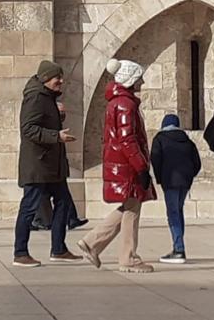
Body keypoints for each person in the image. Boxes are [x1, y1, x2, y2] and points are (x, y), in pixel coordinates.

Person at [77, 58, 156, 273]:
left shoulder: (120, 102)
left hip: (123, 163)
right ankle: (127, 257)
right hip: (127, 165)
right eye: (139, 77)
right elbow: (127, 138)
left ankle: (93, 243)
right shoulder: (125, 104)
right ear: (130, 79)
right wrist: (140, 167)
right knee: (132, 207)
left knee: (131, 205)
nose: (142, 81)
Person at [13, 60, 82, 267]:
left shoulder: (48, 97)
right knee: (29, 206)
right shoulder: (35, 97)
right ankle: (20, 252)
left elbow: (43, 123)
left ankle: (59, 249)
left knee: (63, 203)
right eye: (57, 78)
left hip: (52, 164)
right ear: (45, 79)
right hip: (38, 164)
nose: (61, 81)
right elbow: (28, 128)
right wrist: (56, 135)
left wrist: (58, 116)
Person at [151, 114, 201, 264]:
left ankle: (179, 249)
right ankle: (178, 246)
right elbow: (197, 163)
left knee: (173, 214)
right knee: (178, 211)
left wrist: (160, 178)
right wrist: (189, 176)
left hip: (170, 181)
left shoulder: (159, 139)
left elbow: (155, 159)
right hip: (184, 182)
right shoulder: (187, 141)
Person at [31, 102, 88, 232]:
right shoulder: (44, 126)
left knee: (61, 193)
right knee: (39, 195)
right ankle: (40, 221)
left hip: (55, 166)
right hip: (45, 166)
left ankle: (70, 219)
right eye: (60, 113)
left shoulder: (55, 126)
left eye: (63, 113)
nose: (62, 116)